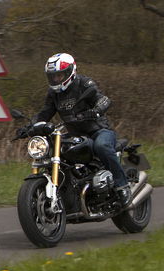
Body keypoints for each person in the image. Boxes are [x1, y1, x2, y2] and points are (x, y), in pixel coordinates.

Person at [33, 53, 132, 207]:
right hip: (75, 134)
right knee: (56, 149)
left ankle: (122, 186)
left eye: (59, 75)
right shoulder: (53, 93)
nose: (56, 80)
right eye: (52, 76)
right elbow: (45, 112)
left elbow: (103, 100)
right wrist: (32, 126)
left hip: (98, 131)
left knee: (102, 146)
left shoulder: (84, 84)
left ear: (70, 72)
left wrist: (96, 110)